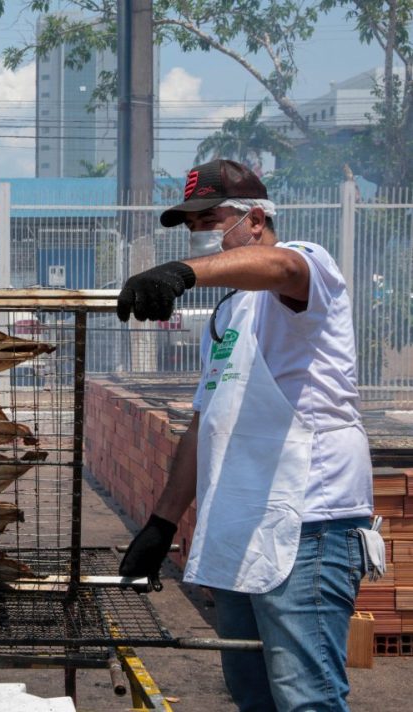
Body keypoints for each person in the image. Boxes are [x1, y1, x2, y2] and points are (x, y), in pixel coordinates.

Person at [116, 159, 379, 711]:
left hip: (309, 522)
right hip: (242, 526)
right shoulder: (229, 313)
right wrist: (162, 524)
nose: (200, 236)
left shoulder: (308, 265)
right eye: (193, 227)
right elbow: (208, 421)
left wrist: (182, 272)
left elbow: (280, 267)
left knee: (306, 697)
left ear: (255, 219)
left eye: (209, 221)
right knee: (251, 694)